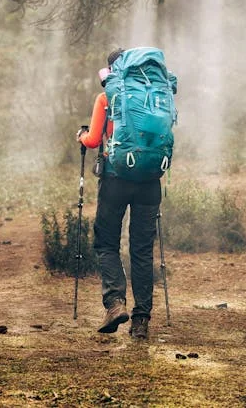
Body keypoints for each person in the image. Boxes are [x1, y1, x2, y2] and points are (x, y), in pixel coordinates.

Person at [76, 48, 162, 339]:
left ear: (112, 71)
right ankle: (141, 322)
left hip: (115, 179)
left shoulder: (107, 97)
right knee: (141, 250)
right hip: (150, 182)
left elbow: (91, 141)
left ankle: (115, 304)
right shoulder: (154, 97)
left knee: (106, 244)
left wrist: (81, 135)